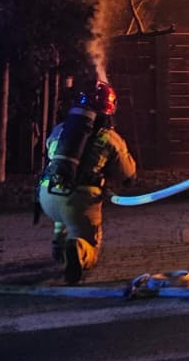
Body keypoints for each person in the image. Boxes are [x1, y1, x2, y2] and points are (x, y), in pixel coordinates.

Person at [37, 80, 137, 285]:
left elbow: (50, 152)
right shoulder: (109, 137)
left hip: (47, 194)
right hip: (80, 201)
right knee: (89, 244)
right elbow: (127, 173)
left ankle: (58, 242)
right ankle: (77, 249)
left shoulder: (61, 129)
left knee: (64, 213)